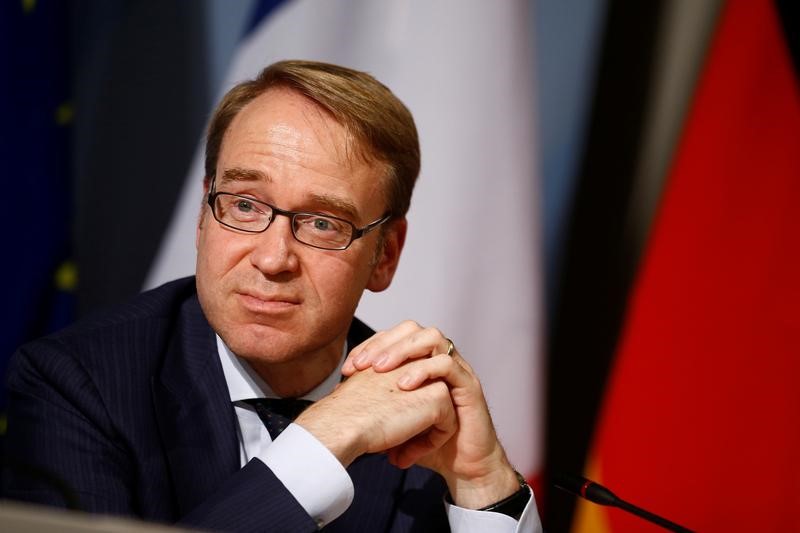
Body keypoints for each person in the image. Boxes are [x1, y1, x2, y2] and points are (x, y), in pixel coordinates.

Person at [2, 60, 541, 532]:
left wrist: (482, 479)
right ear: (203, 215)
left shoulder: (416, 417)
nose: (272, 257)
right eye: (244, 206)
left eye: (323, 223)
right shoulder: (76, 386)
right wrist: (319, 442)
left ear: (385, 256)